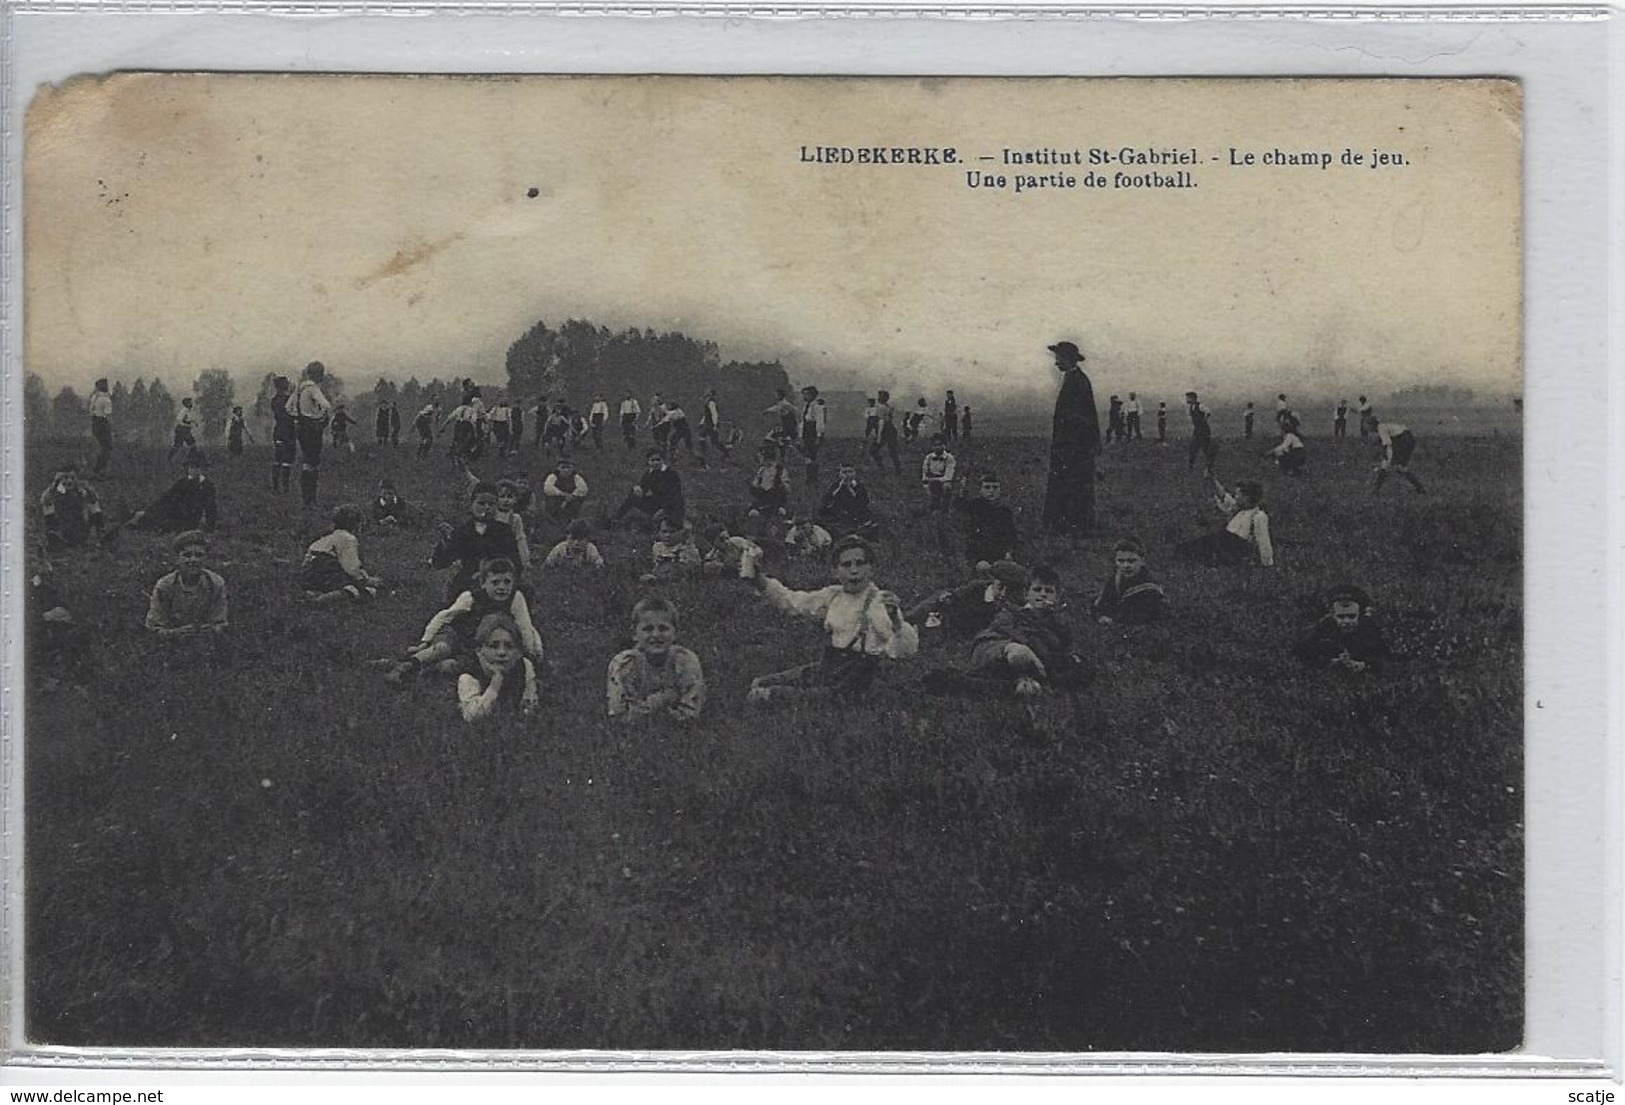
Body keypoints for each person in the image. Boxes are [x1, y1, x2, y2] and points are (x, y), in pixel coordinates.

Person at [743, 534, 917, 704]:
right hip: (831, 666)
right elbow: (793, 601)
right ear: (835, 571)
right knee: (762, 681)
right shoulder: (833, 594)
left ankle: (771, 695)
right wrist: (759, 580)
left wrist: (895, 620)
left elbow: (904, 649)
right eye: (846, 565)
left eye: (860, 563)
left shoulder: (878, 602)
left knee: (773, 695)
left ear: (871, 569)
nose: (854, 571)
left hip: (858, 678)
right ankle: (766, 689)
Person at [966, 564, 1080, 697]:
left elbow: (1063, 648)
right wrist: (1010, 647)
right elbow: (993, 635)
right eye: (1037, 590)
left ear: (1057, 597)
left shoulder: (1059, 623)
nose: (1043, 594)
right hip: (1006, 657)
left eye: (1049, 591)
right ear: (1026, 594)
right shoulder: (1012, 615)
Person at [607, 596, 706, 722]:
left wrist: (647, 709)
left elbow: (690, 713)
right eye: (648, 629)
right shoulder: (625, 664)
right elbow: (619, 714)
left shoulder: (685, 661)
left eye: (663, 628)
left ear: (675, 633)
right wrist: (664, 699)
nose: (656, 635)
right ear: (634, 634)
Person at [1040, 341, 1102, 535]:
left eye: (1058, 358)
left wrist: (1075, 445)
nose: (1056, 363)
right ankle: (1064, 522)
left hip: (1075, 448)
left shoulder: (1079, 382)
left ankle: (1073, 524)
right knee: (1067, 483)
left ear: (1067, 359)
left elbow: (1086, 417)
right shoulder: (1073, 379)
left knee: (1073, 483)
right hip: (1068, 446)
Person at [430, 481, 521, 603]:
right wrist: (447, 540)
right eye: (481, 503)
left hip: (498, 579)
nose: (487, 508)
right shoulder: (463, 531)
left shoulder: (504, 531)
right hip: (469, 580)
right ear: (471, 505)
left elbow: (515, 562)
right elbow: (440, 563)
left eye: (491, 504)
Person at [908, 559, 1027, 641]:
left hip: (968, 631)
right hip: (954, 615)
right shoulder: (977, 588)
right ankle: (907, 619)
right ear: (992, 581)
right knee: (933, 604)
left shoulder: (1013, 603)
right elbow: (957, 594)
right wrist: (948, 597)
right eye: (1000, 587)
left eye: (1010, 590)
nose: (1004, 593)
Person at [145, 530, 228, 638]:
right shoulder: (165, 586)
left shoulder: (215, 584)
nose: (193, 560)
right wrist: (175, 633)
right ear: (177, 559)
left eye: (199, 555)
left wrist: (208, 630)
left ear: (206, 558)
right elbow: (153, 627)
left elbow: (221, 623)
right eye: (187, 555)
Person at [457, 613, 540, 721]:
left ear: (518, 652)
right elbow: (473, 717)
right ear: (479, 651)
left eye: (509, 646)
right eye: (493, 646)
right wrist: (495, 684)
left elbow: (530, 706)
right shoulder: (469, 675)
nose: (501, 652)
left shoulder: (524, 667)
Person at [1176, 477, 1274, 567]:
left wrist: (1267, 563)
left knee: (1198, 554)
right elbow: (1224, 497)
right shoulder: (1239, 509)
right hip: (1223, 540)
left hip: (1235, 547)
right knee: (1188, 549)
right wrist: (1213, 480)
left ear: (1247, 498)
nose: (1235, 497)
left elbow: (1264, 541)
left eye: (1237, 494)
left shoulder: (1258, 516)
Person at [1293, 584, 1388, 672]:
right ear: (1332, 615)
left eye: (1352, 616)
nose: (1346, 621)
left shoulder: (1370, 630)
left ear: (1361, 615)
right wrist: (1331, 662)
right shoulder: (1324, 628)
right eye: (1340, 617)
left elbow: (1382, 657)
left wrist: (1362, 665)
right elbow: (1304, 653)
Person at [301, 505, 382, 605]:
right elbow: (351, 567)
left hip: (308, 572)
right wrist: (365, 580)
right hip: (325, 569)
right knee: (354, 591)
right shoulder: (348, 539)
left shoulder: (328, 536)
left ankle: (313, 593)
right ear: (355, 525)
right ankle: (317, 601)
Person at [125, 450, 219, 533]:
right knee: (155, 515)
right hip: (175, 514)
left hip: (191, 520)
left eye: (198, 467)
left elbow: (211, 508)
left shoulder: (207, 486)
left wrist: (209, 526)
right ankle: (137, 516)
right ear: (187, 468)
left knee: (160, 525)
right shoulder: (182, 482)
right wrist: (149, 510)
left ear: (203, 469)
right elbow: (167, 497)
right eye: (191, 467)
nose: (194, 470)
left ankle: (138, 521)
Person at [1091, 538, 1166, 625]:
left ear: (1142, 561)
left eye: (1131, 561)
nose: (1126, 566)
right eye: (1121, 561)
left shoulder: (1149, 587)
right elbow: (1103, 603)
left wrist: (1112, 620)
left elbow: (1140, 617)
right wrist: (1100, 616)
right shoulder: (1116, 579)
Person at [953, 469, 1019, 568]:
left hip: (999, 556)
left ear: (1000, 490)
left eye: (995, 488)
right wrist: (962, 488)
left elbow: (1011, 537)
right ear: (981, 490)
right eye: (987, 487)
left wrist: (1009, 553)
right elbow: (959, 506)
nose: (991, 491)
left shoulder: (1004, 512)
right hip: (979, 556)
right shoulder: (975, 506)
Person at [289, 361, 333, 505]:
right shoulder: (313, 388)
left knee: (306, 462)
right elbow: (327, 405)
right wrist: (320, 416)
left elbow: (288, 407)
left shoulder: (299, 389)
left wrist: (298, 416)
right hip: (313, 428)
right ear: (318, 374)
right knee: (313, 463)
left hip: (302, 427)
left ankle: (306, 498)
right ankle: (311, 498)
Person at [615, 449, 686, 528]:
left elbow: (675, 495)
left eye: (658, 460)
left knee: (667, 526)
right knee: (633, 496)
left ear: (663, 460)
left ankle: (667, 521)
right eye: (652, 460)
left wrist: (664, 509)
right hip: (657, 503)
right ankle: (616, 519)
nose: (655, 463)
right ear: (648, 461)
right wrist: (637, 489)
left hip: (672, 506)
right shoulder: (649, 473)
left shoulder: (671, 473)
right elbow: (643, 488)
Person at [40, 465, 104, 551]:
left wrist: (86, 491)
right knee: (48, 505)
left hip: (81, 528)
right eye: (65, 478)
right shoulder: (55, 491)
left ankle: (98, 535)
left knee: (93, 504)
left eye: (72, 478)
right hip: (63, 528)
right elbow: (45, 501)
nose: (69, 481)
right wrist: (54, 487)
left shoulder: (82, 490)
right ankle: (54, 535)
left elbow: (94, 502)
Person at [818, 462, 879, 540]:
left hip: (856, 513)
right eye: (844, 472)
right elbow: (826, 501)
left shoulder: (859, 486)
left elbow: (864, 502)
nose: (847, 475)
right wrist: (839, 488)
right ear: (840, 474)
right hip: (839, 514)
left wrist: (850, 489)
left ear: (854, 473)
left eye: (850, 472)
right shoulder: (835, 486)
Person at [642, 514, 704, 583]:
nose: (667, 535)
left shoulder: (686, 548)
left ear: (681, 532)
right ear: (659, 532)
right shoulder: (657, 547)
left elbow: (689, 570)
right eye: (664, 532)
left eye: (672, 532)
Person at [1371, 417, 1426, 493]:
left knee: (1388, 465)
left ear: (1371, 426)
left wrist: (1388, 459)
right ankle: (1420, 488)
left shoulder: (1381, 429)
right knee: (1401, 468)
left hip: (1403, 439)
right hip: (1408, 438)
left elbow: (1388, 445)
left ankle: (1376, 490)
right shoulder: (1383, 427)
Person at [541, 458, 590, 524]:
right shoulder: (553, 476)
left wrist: (572, 496)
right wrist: (562, 494)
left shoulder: (576, 477)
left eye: (568, 468)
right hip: (555, 502)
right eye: (563, 467)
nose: (566, 470)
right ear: (558, 468)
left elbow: (583, 489)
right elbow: (547, 488)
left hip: (573, 502)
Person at [747, 444, 790, 517]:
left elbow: (787, 490)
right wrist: (753, 486)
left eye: (761, 456)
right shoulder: (761, 470)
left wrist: (783, 484)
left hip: (777, 500)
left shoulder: (780, 469)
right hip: (762, 499)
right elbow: (755, 486)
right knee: (752, 513)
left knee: (781, 512)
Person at [920, 434, 957, 511]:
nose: (937, 447)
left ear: (944, 445)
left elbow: (948, 476)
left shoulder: (949, 458)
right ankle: (932, 506)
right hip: (931, 480)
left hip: (943, 481)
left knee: (947, 486)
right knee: (926, 487)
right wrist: (926, 481)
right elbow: (925, 472)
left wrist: (935, 480)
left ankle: (945, 507)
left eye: (940, 444)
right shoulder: (929, 457)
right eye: (935, 445)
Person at [869, 389, 902, 474]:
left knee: (874, 450)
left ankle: (882, 468)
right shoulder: (887, 407)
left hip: (885, 429)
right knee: (892, 450)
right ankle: (897, 469)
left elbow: (881, 422)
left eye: (881, 396)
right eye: (879, 395)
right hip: (890, 429)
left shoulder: (881, 408)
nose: (879, 397)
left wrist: (879, 436)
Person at [1185, 391, 1218, 474]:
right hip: (1197, 430)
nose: (1186, 399)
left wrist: (1203, 421)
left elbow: (1208, 412)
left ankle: (1209, 467)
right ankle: (1191, 467)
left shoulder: (1200, 406)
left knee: (1205, 449)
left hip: (1204, 430)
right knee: (1192, 447)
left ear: (1192, 398)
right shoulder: (1190, 407)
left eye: (1188, 398)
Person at [799, 385, 826, 481]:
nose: (804, 396)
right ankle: (809, 477)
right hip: (807, 431)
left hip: (813, 432)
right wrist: (801, 434)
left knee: (812, 455)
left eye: (807, 394)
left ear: (813, 395)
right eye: (804, 394)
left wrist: (819, 436)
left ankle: (813, 478)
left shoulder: (818, 406)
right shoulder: (807, 406)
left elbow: (820, 422)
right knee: (807, 454)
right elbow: (803, 421)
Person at [88, 377, 114, 477]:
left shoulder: (94, 398)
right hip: (103, 423)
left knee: (101, 447)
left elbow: (91, 411)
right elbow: (108, 415)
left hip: (95, 423)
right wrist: (111, 427)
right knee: (107, 447)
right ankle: (99, 470)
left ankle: (97, 469)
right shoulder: (106, 399)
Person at [167, 397, 200, 464]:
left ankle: (191, 459)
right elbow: (179, 421)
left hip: (186, 431)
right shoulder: (184, 411)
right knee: (178, 446)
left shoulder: (188, 411)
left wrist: (194, 422)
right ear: (186, 403)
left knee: (193, 445)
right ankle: (170, 459)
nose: (191, 403)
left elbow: (188, 419)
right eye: (189, 402)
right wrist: (189, 425)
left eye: (191, 402)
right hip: (181, 430)